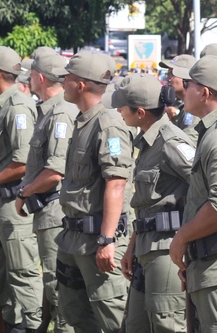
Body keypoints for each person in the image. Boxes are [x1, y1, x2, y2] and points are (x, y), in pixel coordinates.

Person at [168, 55, 217, 333]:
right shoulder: (214, 129)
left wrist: (182, 237)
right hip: (208, 264)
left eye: (188, 84)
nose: (183, 89)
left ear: (204, 92)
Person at [55, 51, 133, 333]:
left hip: (96, 239)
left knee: (113, 318)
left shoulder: (107, 124)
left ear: (81, 85)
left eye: (67, 78)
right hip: (73, 236)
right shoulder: (82, 121)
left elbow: (116, 183)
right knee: (75, 314)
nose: (62, 82)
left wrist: (107, 239)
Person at [115, 74, 194, 333]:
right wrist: (132, 246)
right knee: (135, 325)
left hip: (167, 248)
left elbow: (204, 186)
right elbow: (146, 204)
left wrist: (186, 238)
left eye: (122, 107)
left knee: (166, 324)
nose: (118, 111)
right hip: (146, 246)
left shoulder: (171, 142)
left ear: (140, 113)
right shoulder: (148, 141)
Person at [0, 45, 42, 333]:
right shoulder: (0, 104)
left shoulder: (17, 107)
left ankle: (32, 327)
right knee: (1, 274)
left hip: (11, 204)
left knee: (22, 273)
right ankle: (11, 324)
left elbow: (22, 161)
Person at [15, 51, 77, 333]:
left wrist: (24, 192)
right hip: (46, 209)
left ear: (40, 77)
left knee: (57, 283)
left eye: (31, 74)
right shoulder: (48, 110)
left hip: (54, 209)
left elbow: (55, 170)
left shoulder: (60, 112)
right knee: (53, 282)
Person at [159, 55, 199, 145]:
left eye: (172, 74)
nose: (168, 79)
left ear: (186, 77)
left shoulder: (194, 108)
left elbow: (188, 143)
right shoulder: (184, 104)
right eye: (168, 74)